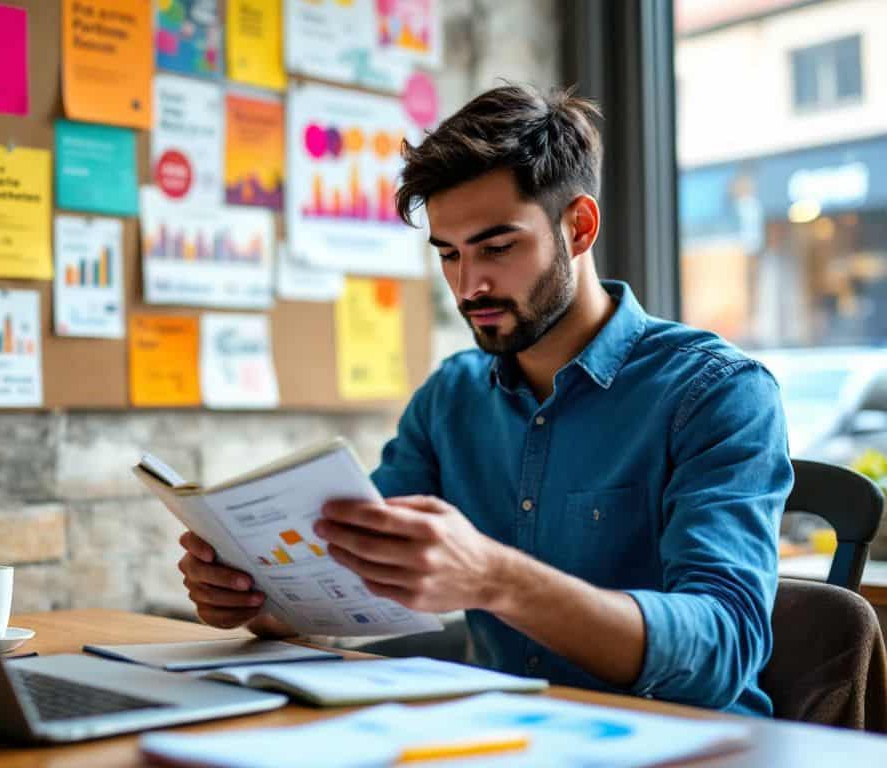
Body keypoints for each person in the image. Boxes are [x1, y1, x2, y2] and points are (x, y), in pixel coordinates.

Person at [176, 84, 793, 716]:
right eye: (449, 253)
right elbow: (351, 581)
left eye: (497, 248)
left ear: (578, 227)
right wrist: (266, 601)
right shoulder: (451, 397)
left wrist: (495, 579)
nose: (470, 286)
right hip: (503, 736)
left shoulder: (718, 393)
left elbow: (725, 645)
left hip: (687, 745)